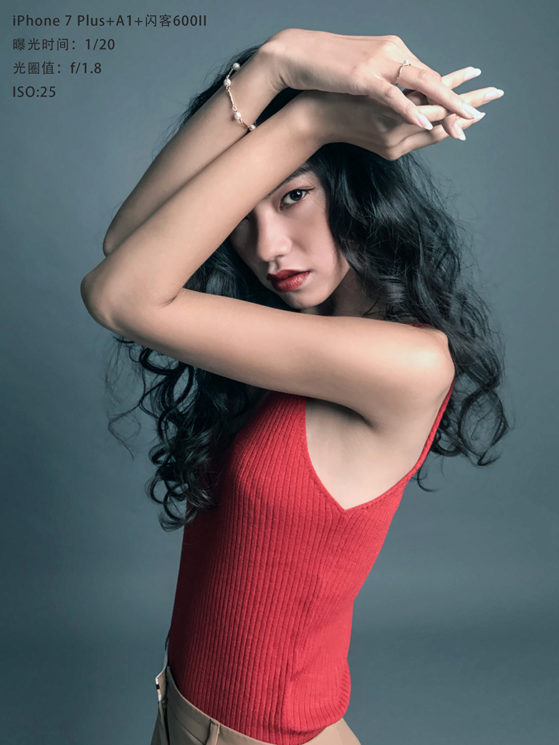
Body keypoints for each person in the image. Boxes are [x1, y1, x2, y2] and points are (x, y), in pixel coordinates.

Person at [80, 28, 509, 745]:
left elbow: (116, 295)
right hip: (182, 716)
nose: (267, 247)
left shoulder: (409, 361)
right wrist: (273, 64)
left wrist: (308, 120)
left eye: (294, 195)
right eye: (241, 217)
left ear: (354, 184)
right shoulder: (290, 338)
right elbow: (128, 248)